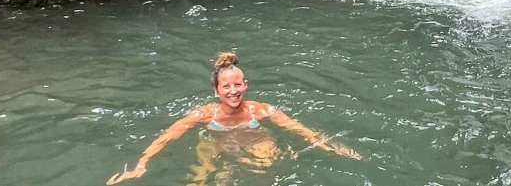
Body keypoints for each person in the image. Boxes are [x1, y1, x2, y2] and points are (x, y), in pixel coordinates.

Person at [106, 51, 361, 183]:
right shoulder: (204, 114)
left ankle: (230, 173)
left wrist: (332, 147)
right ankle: (222, 175)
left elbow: (299, 129)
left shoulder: (260, 110)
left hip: (253, 139)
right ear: (216, 91)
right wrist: (142, 164)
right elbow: (167, 137)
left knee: (266, 166)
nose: (233, 91)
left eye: (237, 85)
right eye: (226, 87)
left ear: (245, 85)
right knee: (198, 178)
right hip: (216, 140)